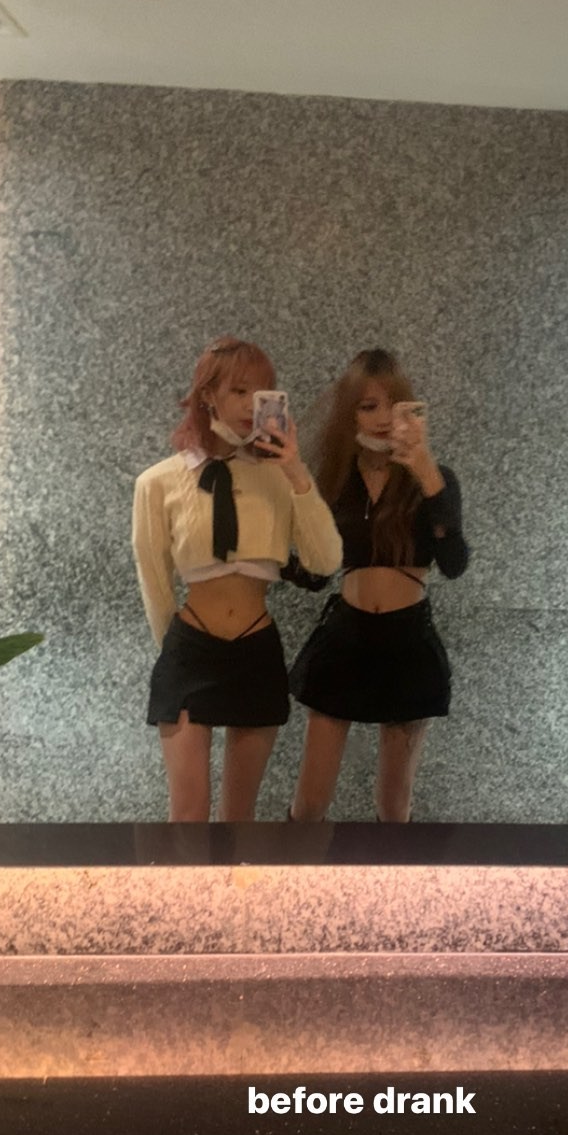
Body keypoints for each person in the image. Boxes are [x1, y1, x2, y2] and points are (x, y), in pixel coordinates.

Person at [132, 336, 342, 822]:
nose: (251, 405)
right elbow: (154, 579)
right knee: (188, 815)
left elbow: (325, 560)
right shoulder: (157, 482)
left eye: (262, 392)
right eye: (239, 391)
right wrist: (173, 649)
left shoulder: (279, 478)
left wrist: (296, 471)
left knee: (238, 820)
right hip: (191, 648)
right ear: (208, 395)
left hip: (255, 649)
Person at [289, 347, 469, 823]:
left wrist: (427, 473)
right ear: (351, 414)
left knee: (394, 805)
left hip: (407, 642)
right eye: (369, 406)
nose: (384, 418)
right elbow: (316, 575)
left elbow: (454, 563)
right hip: (344, 640)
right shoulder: (337, 482)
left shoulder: (435, 480)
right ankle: (296, 871)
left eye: (395, 404)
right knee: (310, 802)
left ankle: (393, 874)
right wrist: (264, 555)